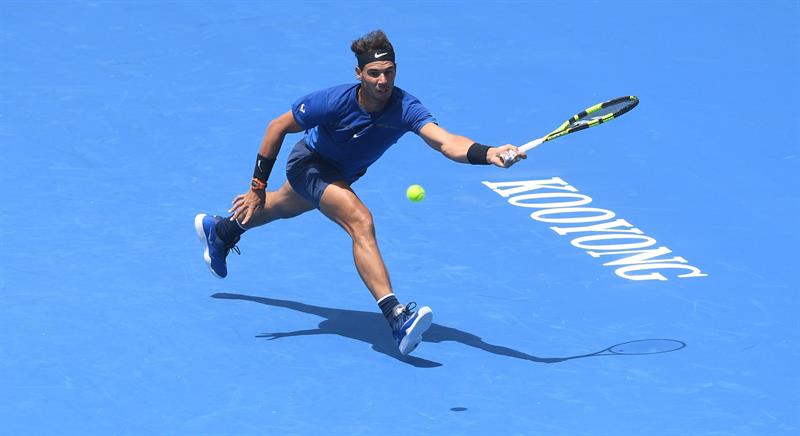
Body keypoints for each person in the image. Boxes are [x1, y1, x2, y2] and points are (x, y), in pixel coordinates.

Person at [195, 30, 525, 356]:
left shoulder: (405, 107)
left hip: (341, 174)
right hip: (309, 164)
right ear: (359, 74)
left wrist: (489, 152)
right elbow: (276, 127)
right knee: (360, 221)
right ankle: (397, 317)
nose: (383, 81)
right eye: (374, 73)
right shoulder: (333, 101)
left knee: (280, 207)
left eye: (389, 72)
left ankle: (222, 231)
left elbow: (445, 141)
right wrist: (256, 187)